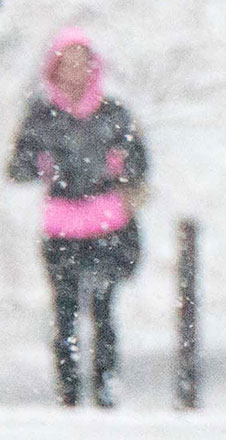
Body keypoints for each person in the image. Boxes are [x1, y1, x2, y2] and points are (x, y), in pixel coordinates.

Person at [8, 28, 148, 408]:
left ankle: (105, 388)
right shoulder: (41, 115)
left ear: (93, 67)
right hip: (61, 226)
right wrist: (41, 163)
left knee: (104, 309)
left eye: (81, 63)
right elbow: (18, 167)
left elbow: (139, 165)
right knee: (65, 311)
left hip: (107, 225)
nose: (75, 72)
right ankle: (68, 391)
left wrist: (121, 169)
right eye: (66, 64)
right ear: (53, 69)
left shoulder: (114, 113)